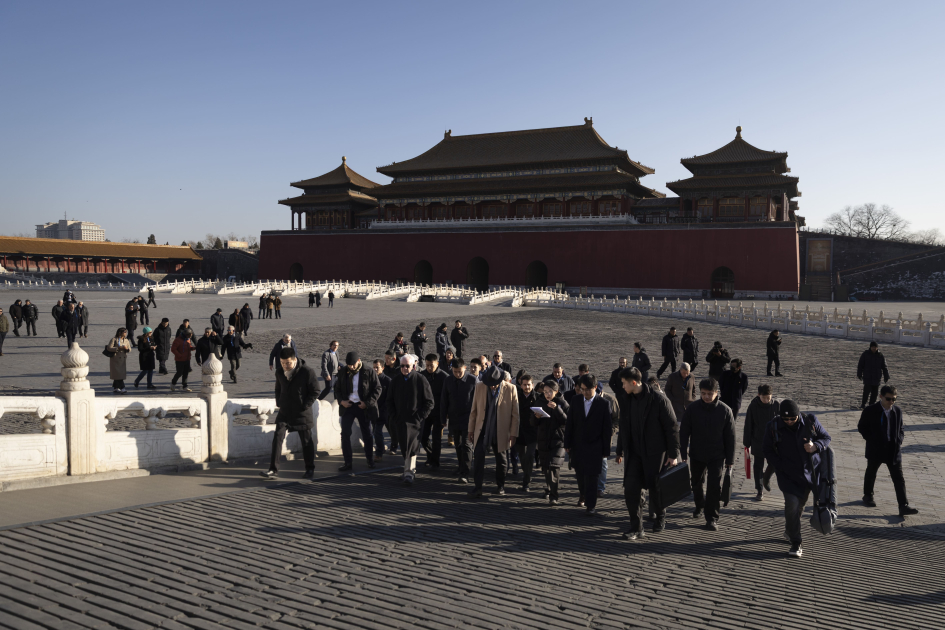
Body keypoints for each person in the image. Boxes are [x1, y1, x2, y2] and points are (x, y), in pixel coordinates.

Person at [615, 367, 679, 539]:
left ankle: (661, 516)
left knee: (656, 490)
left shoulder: (658, 400)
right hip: (633, 454)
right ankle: (637, 528)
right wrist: (620, 449)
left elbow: (671, 428)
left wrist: (673, 455)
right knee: (631, 490)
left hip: (655, 454)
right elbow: (624, 427)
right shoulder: (626, 400)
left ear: (634, 382)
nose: (622, 387)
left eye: (624, 383)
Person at [763, 399, 832, 558]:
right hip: (787, 475)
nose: (788, 422)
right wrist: (780, 466)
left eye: (792, 419)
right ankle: (796, 542)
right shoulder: (772, 426)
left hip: (810, 474)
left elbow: (826, 437)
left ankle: (790, 530)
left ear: (798, 416)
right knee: (792, 504)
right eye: (785, 419)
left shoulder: (810, 420)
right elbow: (767, 449)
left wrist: (816, 446)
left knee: (799, 506)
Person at [680, 378, 736, 531]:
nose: (706, 397)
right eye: (703, 393)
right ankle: (699, 505)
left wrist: (730, 460)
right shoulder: (692, 409)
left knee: (714, 487)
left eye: (709, 394)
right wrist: (683, 452)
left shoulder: (725, 411)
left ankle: (712, 518)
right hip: (697, 454)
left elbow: (730, 438)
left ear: (716, 393)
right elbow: (684, 431)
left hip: (717, 455)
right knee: (696, 483)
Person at [858, 385, 919, 517]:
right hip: (876, 448)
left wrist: (899, 439)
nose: (891, 402)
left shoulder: (897, 410)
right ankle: (868, 495)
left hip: (893, 449)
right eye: (888, 399)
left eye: (894, 399)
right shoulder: (871, 410)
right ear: (881, 396)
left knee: (899, 478)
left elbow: (901, 428)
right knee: (871, 472)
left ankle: (903, 505)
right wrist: (872, 439)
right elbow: (862, 427)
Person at [260, 347, 320, 480]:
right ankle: (273, 469)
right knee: (277, 437)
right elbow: (278, 388)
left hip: (301, 413)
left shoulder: (307, 371)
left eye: (288, 363)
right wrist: (279, 402)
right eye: (282, 363)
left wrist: (305, 405)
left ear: (294, 360)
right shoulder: (279, 372)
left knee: (306, 441)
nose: (285, 366)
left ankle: (310, 468)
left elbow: (315, 391)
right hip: (285, 411)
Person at [467, 364, 520, 498]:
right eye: (490, 384)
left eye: (494, 384)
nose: (492, 386)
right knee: (478, 458)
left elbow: (515, 415)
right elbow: (474, 411)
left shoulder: (511, 389)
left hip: (501, 430)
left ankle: (500, 485)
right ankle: (478, 487)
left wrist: (513, 434)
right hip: (482, 429)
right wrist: (470, 430)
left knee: (502, 460)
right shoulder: (479, 387)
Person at [564, 374, 613, 515]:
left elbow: (607, 429)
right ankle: (583, 494)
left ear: (595, 388)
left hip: (595, 447)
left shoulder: (603, 404)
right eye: (581, 389)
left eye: (587, 389)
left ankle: (591, 505)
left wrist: (606, 449)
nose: (584, 392)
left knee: (592, 477)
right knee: (580, 476)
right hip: (578, 446)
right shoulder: (575, 400)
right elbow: (570, 424)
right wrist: (567, 443)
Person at [386, 354, 435, 485]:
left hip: (415, 421)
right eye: (402, 366)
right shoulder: (395, 381)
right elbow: (389, 400)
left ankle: (409, 472)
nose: (404, 368)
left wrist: (420, 417)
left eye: (407, 366)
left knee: (413, 446)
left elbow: (429, 402)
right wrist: (394, 416)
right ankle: (407, 470)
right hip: (400, 420)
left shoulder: (421, 379)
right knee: (404, 446)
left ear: (413, 366)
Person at [335, 351, 382, 471]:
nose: (351, 367)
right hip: (348, 406)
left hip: (363, 407)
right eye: (349, 365)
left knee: (367, 434)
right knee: (345, 434)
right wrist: (342, 401)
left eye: (353, 365)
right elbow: (337, 389)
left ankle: (370, 460)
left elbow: (378, 388)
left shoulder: (368, 371)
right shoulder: (343, 372)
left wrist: (367, 403)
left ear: (359, 361)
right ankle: (347, 462)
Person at [533, 380, 570, 505]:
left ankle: (554, 495)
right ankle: (549, 489)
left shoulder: (562, 403)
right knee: (546, 467)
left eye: (550, 392)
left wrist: (557, 410)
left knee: (554, 467)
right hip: (543, 438)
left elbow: (568, 421)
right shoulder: (540, 402)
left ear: (556, 391)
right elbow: (532, 422)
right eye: (545, 392)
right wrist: (535, 417)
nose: (547, 394)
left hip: (558, 439)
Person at [441, 357, 477, 483]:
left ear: (465, 368)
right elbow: (444, 400)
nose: (457, 374)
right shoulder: (448, 380)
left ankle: (465, 472)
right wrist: (443, 418)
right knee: (458, 444)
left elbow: (477, 402)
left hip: (468, 419)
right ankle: (461, 466)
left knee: (467, 445)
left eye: (459, 372)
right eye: (455, 372)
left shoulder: (473, 380)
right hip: (454, 418)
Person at [743, 384, 780, 500]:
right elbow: (748, 424)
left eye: (768, 398)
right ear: (759, 395)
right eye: (764, 398)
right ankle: (759, 489)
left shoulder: (776, 405)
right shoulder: (753, 406)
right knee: (758, 466)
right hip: (758, 439)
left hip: (772, 441)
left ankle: (765, 478)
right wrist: (747, 442)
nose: (766, 400)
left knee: (774, 463)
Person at [420, 354, 448, 468]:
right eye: (427, 365)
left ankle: (435, 462)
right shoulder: (422, 375)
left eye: (431, 365)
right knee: (423, 437)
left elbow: (446, 397)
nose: (429, 368)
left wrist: (445, 414)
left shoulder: (444, 377)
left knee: (436, 438)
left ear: (437, 364)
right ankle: (430, 456)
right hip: (425, 413)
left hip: (438, 413)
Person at [514, 374, 540, 492]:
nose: (527, 387)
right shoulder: (515, 396)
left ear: (533, 385)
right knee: (522, 456)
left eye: (529, 385)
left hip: (533, 432)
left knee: (530, 455)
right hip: (519, 431)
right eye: (524, 385)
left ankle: (526, 481)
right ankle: (526, 472)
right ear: (521, 385)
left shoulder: (538, 397)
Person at [857, 341, 889, 409]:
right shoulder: (865, 354)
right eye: (872, 347)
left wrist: (886, 376)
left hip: (876, 377)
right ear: (870, 347)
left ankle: (871, 405)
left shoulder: (880, 355)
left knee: (874, 393)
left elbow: (884, 367)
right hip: (867, 376)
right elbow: (860, 365)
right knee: (866, 392)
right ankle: (863, 404)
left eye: (875, 347)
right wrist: (859, 374)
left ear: (877, 347)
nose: (874, 348)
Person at [373, 359, 394, 459]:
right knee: (375, 431)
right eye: (374, 367)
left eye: (377, 367)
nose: (375, 369)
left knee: (380, 431)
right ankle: (381, 448)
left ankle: (379, 452)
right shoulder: (371, 379)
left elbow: (390, 398)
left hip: (384, 411)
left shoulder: (387, 381)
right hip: (373, 410)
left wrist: (385, 409)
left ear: (383, 368)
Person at [107, 328, 132, 393]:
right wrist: (118, 348)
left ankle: (116, 387)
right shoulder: (114, 339)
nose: (125, 333)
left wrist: (126, 349)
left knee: (118, 374)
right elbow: (109, 348)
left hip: (123, 359)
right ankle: (122, 388)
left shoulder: (126, 340)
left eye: (126, 332)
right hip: (115, 359)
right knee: (118, 374)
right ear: (120, 332)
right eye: (124, 332)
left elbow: (129, 349)